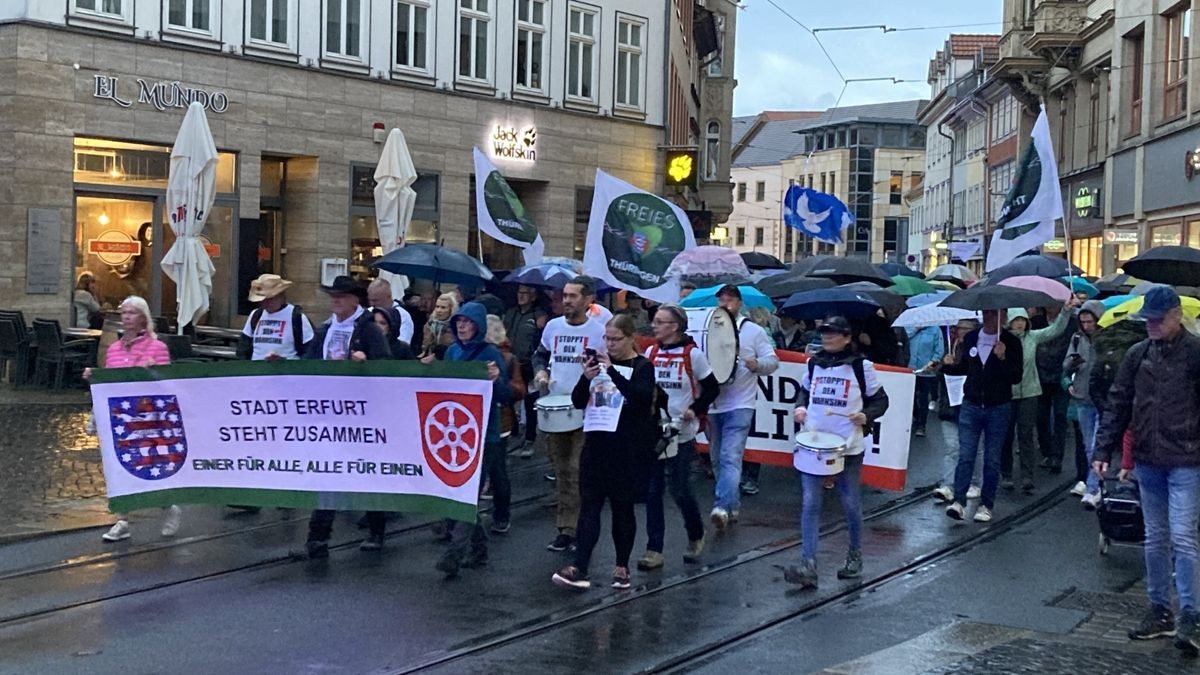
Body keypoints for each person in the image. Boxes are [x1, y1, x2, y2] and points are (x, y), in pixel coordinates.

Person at [1093, 286, 1200, 654]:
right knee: (1156, 537)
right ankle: (1161, 610)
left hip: (1186, 459)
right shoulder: (1138, 355)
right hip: (1150, 459)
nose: (1150, 326)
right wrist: (1103, 449)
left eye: (1157, 320)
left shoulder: (1195, 354)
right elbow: (1118, 402)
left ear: (1175, 316)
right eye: (1148, 320)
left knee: (1183, 537)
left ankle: (1190, 614)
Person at [552, 315, 658, 590]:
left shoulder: (642, 366)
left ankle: (622, 565)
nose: (610, 345)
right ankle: (580, 566)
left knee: (622, 509)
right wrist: (586, 378)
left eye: (616, 339)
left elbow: (640, 399)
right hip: (596, 444)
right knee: (590, 506)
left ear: (631, 337)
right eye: (607, 339)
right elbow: (577, 401)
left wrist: (611, 372)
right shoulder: (596, 364)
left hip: (626, 448)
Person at [785, 316, 889, 588]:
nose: (827, 338)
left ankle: (854, 554)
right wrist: (800, 407)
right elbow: (804, 393)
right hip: (814, 442)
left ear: (847, 337)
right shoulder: (814, 363)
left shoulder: (860, 366)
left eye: (833, 334)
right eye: (824, 333)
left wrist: (866, 415)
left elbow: (881, 400)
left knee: (850, 501)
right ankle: (808, 563)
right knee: (810, 502)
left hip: (847, 445)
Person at [302, 276, 391, 558]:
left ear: (355, 300)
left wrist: (367, 363)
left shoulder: (368, 329)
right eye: (333, 296)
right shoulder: (326, 329)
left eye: (340, 296)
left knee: (366, 472)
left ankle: (377, 529)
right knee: (328, 471)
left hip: (362, 413)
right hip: (330, 411)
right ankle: (318, 536)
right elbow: (310, 361)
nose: (335, 301)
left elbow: (387, 368)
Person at [84, 296, 180, 542]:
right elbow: (109, 386)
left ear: (143, 318)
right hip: (122, 419)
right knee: (120, 468)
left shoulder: (157, 348)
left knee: (150, 468)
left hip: (148, 419)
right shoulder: (114, 349)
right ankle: (122, 520)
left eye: (132, 313)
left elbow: (168, 387)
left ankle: (168, 506)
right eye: (123, 312)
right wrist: (95, 383)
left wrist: (154, 372)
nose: (126, 317)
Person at [638, 304, 720, 570]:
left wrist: (693, 410)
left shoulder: (692, 355)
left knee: (680, 489)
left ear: (674, 327)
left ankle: (696, 533)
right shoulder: (650, 352)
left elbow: (711, 389)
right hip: (654, 431)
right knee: (652, 491)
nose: (654, 326)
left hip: (681, 434)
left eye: (660, 322)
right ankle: (654, 549)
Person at [435, 303, 510, 577]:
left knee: (467, 494)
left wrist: (496, 378)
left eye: (467, 322)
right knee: (458, 492)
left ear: (477, 325)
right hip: (453, 433)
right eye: (459, 322)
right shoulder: (453, 352)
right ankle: (479, 548)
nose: (463, 327)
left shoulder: (490, 354)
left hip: (484, 435)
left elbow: (504, 395)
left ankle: (454, 554)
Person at [533, 277, 608, 552]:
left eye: (573, 296)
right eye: (565, 295)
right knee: (561, 470)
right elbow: (540, 355)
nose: (566, 301)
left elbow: (608, 366)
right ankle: (565, 529)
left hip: (586, 409)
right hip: (556, 407)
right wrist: (541, 371)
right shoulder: (553, 327)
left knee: (580, 471)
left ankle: (581, 529)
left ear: (588, 300)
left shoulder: (599, 331)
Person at [941, 309, 1024, 523]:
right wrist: (948, 365)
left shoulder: (1011, 342)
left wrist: (1003, 357)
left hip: (998, 406)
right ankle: (959, 501)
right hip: (972, 404)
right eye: (987, 314)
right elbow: (964, 369)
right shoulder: (971, 338)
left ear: (1003, 318)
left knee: (991, 459)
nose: (991, 319)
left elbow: (1016, 377)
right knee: (966, 455)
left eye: (996, 315)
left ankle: (986, 504)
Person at [707, 285, 779, 530]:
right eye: (722, 300)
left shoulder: (754, 331)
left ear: (739, 303)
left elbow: (773, 361)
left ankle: (721, 506)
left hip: (741, 403)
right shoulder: (710, 328)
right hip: (714, 403)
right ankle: (732, 504)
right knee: (717, 458)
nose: (725, 304)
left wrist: (757, 364)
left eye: (730, 300)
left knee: (730, 456)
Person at [1000, 303, 1072, 493]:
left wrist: (1066, 311)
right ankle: (1006, 473)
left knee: (1026, 434)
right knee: (1006, 435)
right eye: (1016, 320)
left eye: (1022, 320)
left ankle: (1026, 476)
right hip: (1007, 394)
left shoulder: (1032, 337)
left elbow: (1055, 330)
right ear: (1009, 322)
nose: (1020, 324)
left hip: (1030, 392)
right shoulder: (1002, 341)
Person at [931, 319, 983, 504]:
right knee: (952, 447)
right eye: (958, 328)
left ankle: (975, 482)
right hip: (949, 405)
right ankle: (948, 484)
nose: (960, 331)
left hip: (971, 404)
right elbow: (940, 377)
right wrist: (943, 365)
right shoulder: (950, 348)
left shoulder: (980, 349)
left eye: (965, 328)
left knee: (972, 447)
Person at [1062, 300, 1106, 507]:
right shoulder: (1077, 338)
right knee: (1089, 446)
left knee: (1096, 444)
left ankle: (1092, 488)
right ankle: (1098, 485)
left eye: (1090, 322)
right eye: (1083, 322)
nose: (1087, 326)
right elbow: (1065, 365)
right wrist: (1073, 363)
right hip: (1082, 396)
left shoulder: (1106, 336)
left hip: (1102, 398)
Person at [486, 314, 525, 520]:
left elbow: (519, 390)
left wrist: (499, 381)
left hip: (500, 420)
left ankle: (502, 515)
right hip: (479, 420)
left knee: (497, 469)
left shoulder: (508, 359)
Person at [503, 285, 548, 457]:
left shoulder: (539, 315)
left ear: (533, 296)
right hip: (512, 362)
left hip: (528, 364)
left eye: (525, 294)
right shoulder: (511, 312)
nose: (520, 296)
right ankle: (514, 434)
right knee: (509, 399)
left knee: (530, 402)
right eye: (519, 293)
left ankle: (530, 438)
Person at [1035, 303, 1078, 473]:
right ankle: (1046, 451)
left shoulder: (1072, 323)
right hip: (1040, 375)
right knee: (1041, 417)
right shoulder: (1037, 322)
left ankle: (1057, 456)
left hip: (1061, 375)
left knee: (1060, 416)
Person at [238, 274, 314, 361]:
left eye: (270, 299)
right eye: (263, 300)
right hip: (257, 371)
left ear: (281, 296)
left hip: (286, 372)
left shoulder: (297, 317)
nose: (265, 303)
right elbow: (243, 347)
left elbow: (310, 350)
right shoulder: (256, 315)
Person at [906, 325, 944, 438]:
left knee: (923, 398)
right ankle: (915, 416)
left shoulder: (935, 330)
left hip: (925, 370)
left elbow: (939, 349)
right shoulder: (909, 327)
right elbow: (903, 340)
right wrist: (915, 329)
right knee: (910, 397)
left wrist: (933, 361)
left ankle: (921, 425)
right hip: (909, 369)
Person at [367, 278, 415, 347]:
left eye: (375, 300)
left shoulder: (403, 316)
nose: (371, 304)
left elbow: (403, 344)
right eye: (370, 300)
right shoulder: (368, 312)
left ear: (388, 297)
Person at [420, 292, 458, 360]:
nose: (438, 310)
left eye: (443, 307)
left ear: (451, 309)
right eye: (437, 306)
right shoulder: (430, 323)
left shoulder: (456, 326)